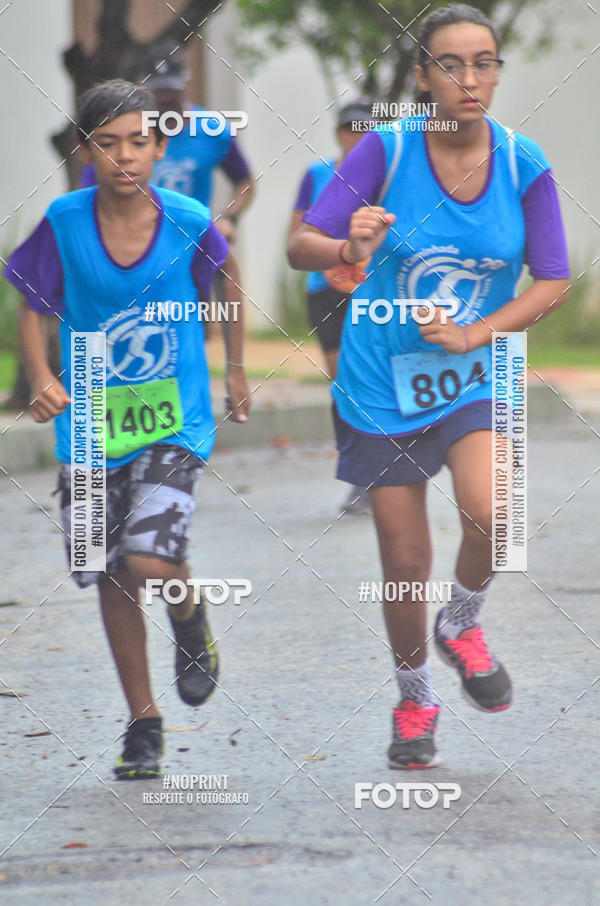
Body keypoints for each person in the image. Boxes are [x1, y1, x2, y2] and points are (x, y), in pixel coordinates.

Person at [288, 3, 570, 768]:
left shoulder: (522, 163)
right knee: (404, 562)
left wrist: (480, 332)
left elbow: (552, 281)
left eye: (484, 62)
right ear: (422, 76)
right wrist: (348, 241)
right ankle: (414, 700)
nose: (470, 79)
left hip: (475, 370)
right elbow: (298, 245)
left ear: (498, 71)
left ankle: (463, 622)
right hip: (382, 380)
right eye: (451, 64)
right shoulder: (384, 151)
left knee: (494, 514)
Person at [5, 79, 250, 779]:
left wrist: (234, 368)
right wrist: (42, 376)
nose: (124, 158)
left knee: (149, 556)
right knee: (108, 570)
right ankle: (143, 720)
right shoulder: (64, 219)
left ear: (158, 146)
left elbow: (227, 277)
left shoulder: (187, 218)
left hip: (173, 418)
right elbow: (30, 296)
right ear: (85, 151)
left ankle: (188, 617)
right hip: (87, 424)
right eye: (107, 144)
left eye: (138, 142)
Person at [288, 100, 378, 515]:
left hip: (373, 288)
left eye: (364, 129)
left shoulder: (387, 173)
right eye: (349, 129)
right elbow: (297, 234)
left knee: (370, 377)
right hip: (324, 287)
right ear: (339, 133)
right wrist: (331, 260)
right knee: (342, 378)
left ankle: (384, 466)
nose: (355, 137)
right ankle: (357, 472)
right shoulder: (317, 173)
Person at [80, 46, 255, 243]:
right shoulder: (123, 131)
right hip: (131, 245)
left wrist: (228, 218)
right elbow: (89, 189)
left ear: (187, 82)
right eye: (158, 91)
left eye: (171, 90)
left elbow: (244, 182)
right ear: (142, 87)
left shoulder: (213, 130)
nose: (165, 98)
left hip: (193, 243)